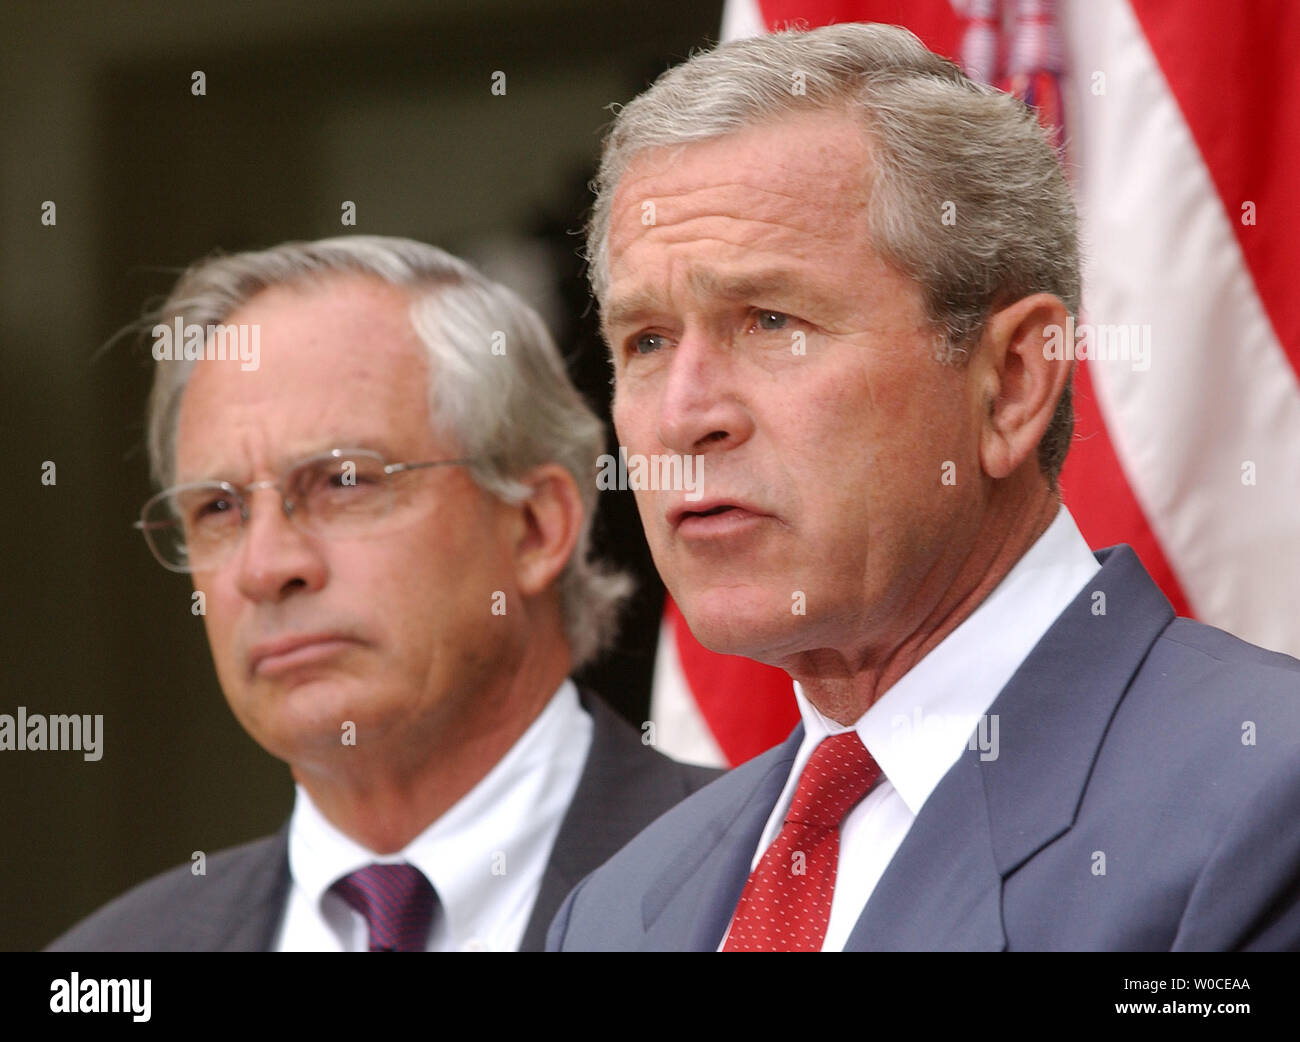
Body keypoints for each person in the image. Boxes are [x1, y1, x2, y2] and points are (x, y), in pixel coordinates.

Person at [547, 23, 1300, 951]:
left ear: (1014, 380)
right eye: (647, 342)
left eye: (771, 320)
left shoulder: (1266, 794)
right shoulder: (615, 912)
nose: (682, 417)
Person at [48, 235, 716, 952]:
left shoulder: (762, 878)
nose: (266, 567)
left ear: (534, 526)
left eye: (343, 482)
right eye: (218, 508)